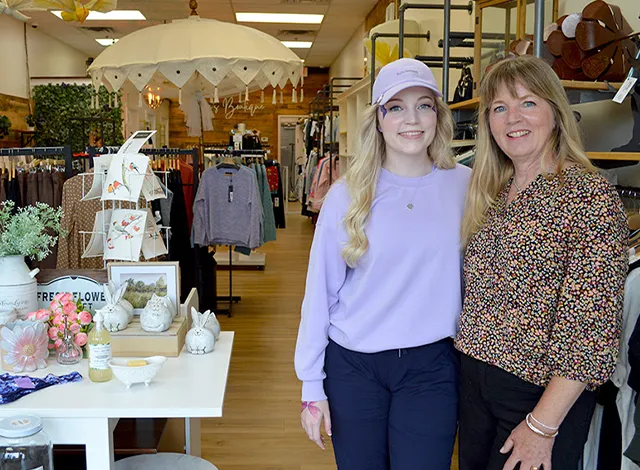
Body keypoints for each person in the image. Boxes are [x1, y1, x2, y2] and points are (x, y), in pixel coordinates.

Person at [294, 58, 471, 470]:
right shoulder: (346, 194)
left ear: (438, 116)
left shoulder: (465, 185)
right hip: (354, 366)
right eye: (396, 107)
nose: (412, 119)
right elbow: (319, 293)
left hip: (431, 366)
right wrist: (310, 385)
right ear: (378, 119)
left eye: (424, 105)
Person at [456, 55, 628, 470]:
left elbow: (590, 332)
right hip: (474, 386)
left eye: (528, 103)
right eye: (499, 108)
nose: (513, 118)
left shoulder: (589, 197)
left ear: (555, 111)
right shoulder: (493, 193)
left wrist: (541, 427)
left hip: (536, 399)